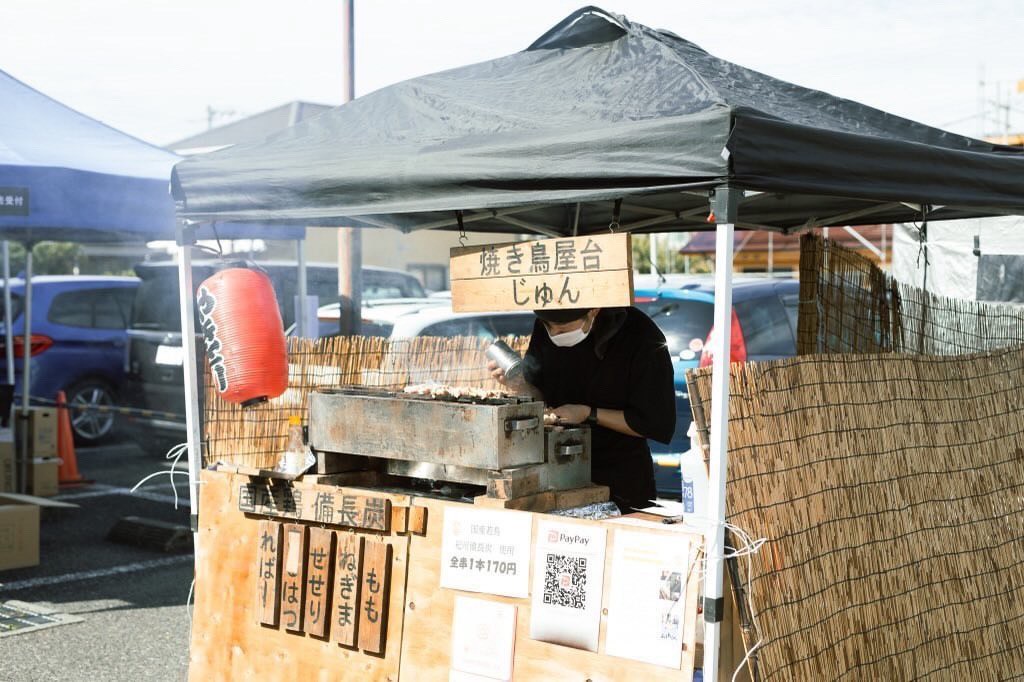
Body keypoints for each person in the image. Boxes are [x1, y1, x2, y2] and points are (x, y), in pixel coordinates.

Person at [489, 306, 676, 512]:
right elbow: (541, 397)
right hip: (555, 474)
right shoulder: (548, 323)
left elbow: (653, 422)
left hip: (620, 480)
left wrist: (588, 413)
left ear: (594, 311)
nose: (554, 334)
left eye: (562, 328)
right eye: (548, 326)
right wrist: (518, 385)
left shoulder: (641, 335)